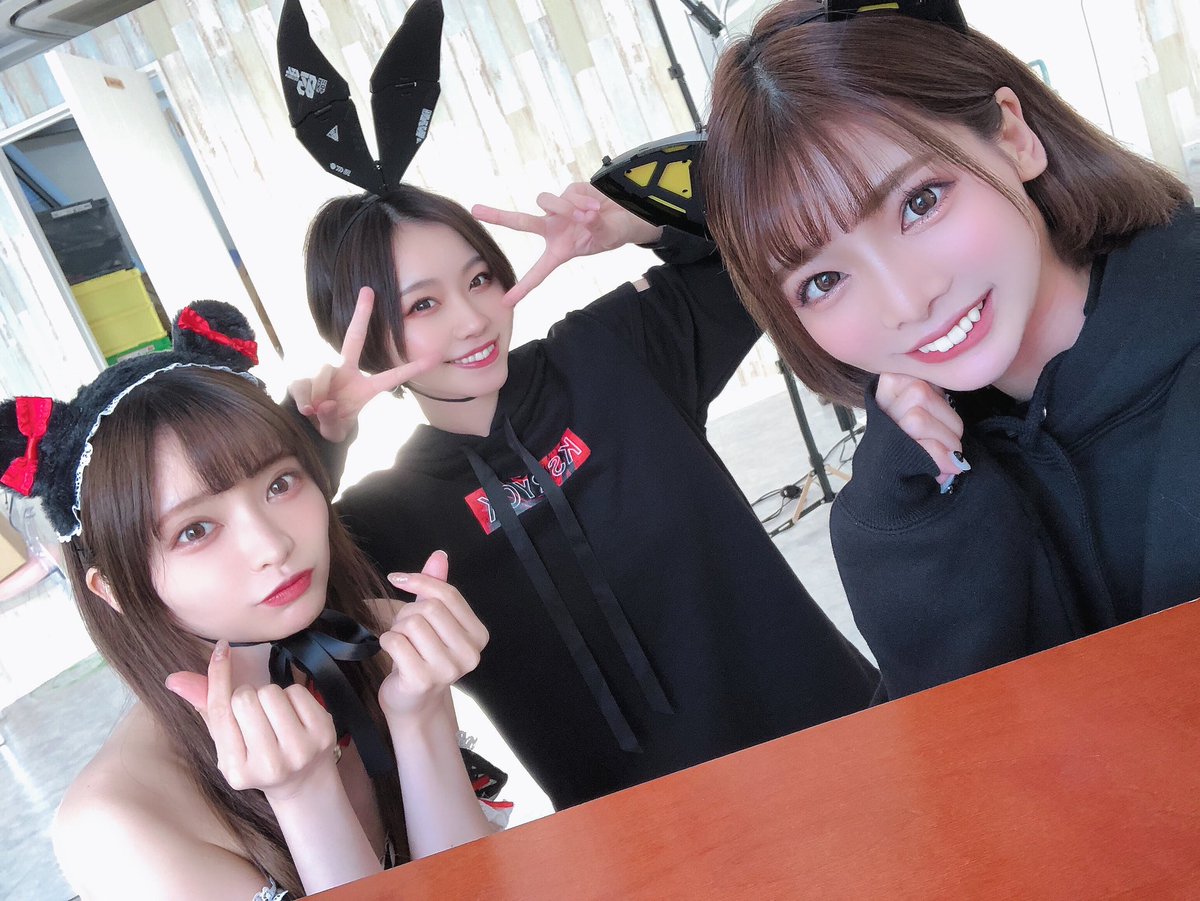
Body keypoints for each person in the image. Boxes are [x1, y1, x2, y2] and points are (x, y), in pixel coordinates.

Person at [290, 180, 880, 810]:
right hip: (643, 840)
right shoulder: (383, 522)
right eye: (423, 305)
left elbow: (773, 227)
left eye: (480, 279)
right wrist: (316, 444)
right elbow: (264, 594)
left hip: (846, 741)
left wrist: (641, 220)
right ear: (363, 339)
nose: (473, 319)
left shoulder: (611, 352)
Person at [699, 0, 1197, 700]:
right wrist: (911, 520)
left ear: (1014, 136)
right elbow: (959, 740)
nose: (906, 302)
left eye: (920, 202)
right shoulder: (906, 490)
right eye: (824, 281)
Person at [0, 302, 503, 900]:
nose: (272, 545)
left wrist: (419, 718)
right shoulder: (115, 823)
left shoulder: (385, 641)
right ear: (112, 589)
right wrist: (304, 797)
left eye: (279, 484)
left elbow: (478, 889)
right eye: (194, 530)